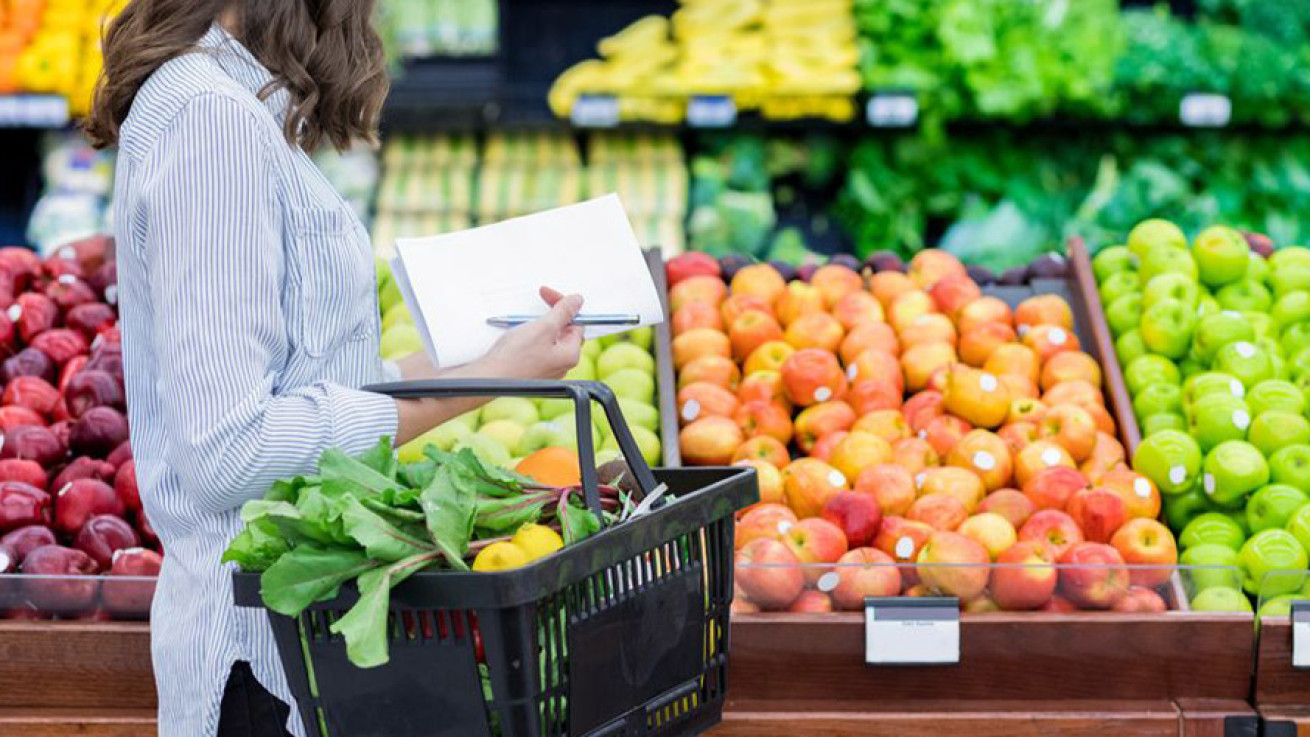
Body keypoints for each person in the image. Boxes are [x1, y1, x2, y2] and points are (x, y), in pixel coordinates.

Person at [86, 2, 584, 734]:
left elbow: (302, 379)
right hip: (258, 671)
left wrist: (492, 358)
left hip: (300, 654)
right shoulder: (210, 120)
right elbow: (231, 448)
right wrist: (475, 384)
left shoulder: (235, 105)